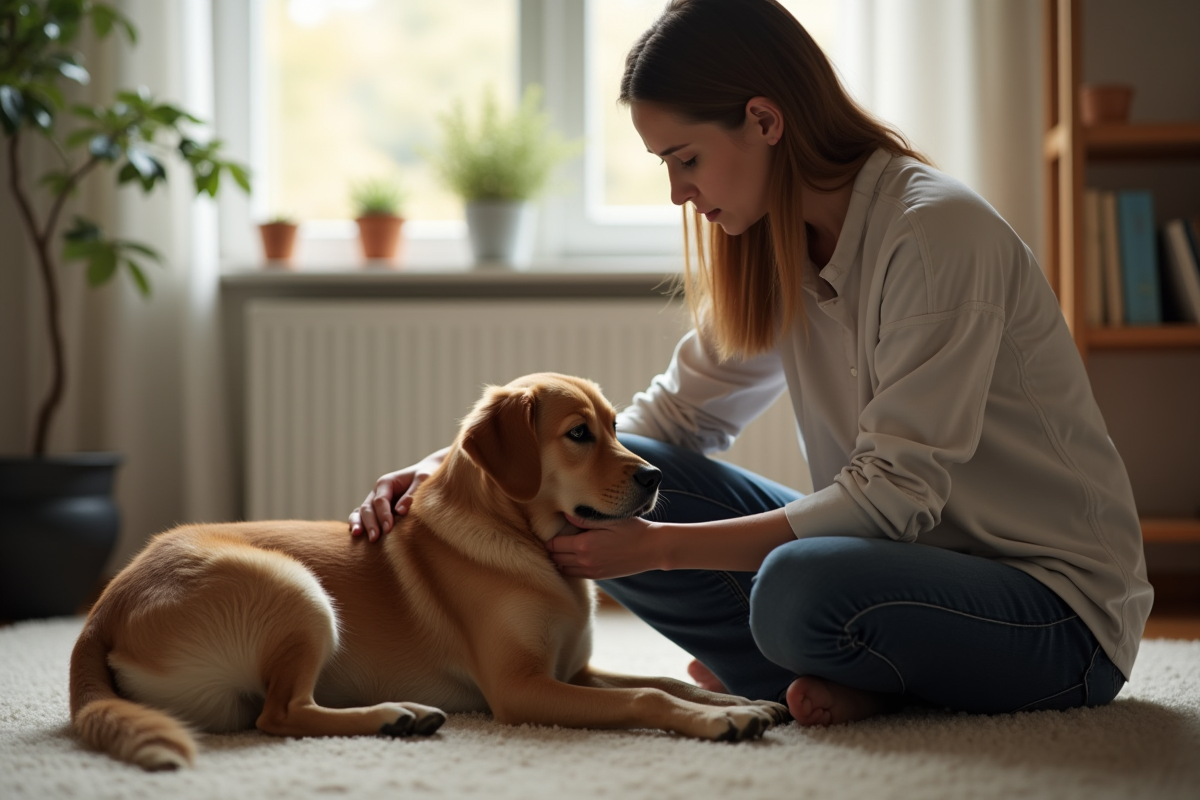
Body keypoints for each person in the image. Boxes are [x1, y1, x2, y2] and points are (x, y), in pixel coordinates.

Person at [350, 0, 1151, 726]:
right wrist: (456, 465)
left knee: (795, 587)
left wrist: (661, 548)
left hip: (1054, 615)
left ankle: (827, 673)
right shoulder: (778, 245)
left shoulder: (933, 235)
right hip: (903, 568)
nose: (677, 193)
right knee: (609, 487)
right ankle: (831, 673)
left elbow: (896, 496)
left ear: (764, 120)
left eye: (686, 159)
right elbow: (666, 424)